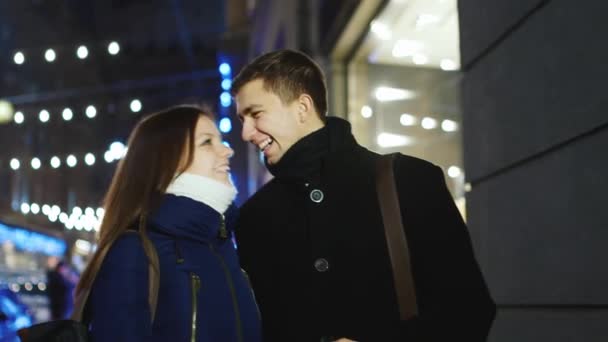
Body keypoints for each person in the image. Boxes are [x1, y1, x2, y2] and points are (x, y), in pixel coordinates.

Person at [232, 49, 497, 341]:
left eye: (255, 114)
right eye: (242, 119)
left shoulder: (409, 180)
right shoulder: (254, 217)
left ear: (303, 107)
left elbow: (470, 311)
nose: (245, 133)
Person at [74, 105, 262, 342]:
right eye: (207, 142)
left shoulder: (224, 245)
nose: (226, 151)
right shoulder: (134, 251)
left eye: (220, 141)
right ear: (166, 160)